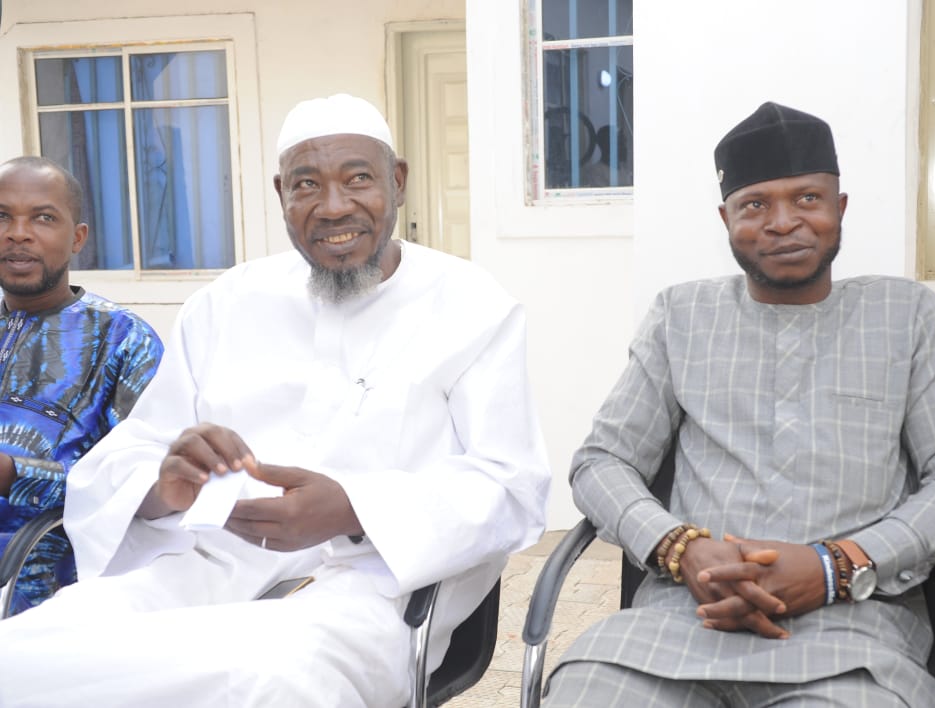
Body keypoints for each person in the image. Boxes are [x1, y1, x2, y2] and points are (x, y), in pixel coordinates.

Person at [0, 94, 550, 707]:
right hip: (207, 566)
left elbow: (510, 484)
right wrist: (164, 486)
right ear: (280, 193)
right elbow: (129, 457)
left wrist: (353, 508)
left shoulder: (472, 306)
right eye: (307, 184)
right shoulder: (226, 302)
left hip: (370, 590)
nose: (334, 206)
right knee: (30, 650)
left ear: (397, 182)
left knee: (270, 678)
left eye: (359, 179)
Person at [543, 102, 935, 707]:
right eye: (755, 204)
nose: (783, 222)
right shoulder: (680, 318)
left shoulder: (909, 318)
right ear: (726, 219)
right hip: (676, 626)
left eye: (807, 198)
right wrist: (683, 549)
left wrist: (835, 564)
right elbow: (601, 462)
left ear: (839, 208)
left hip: (851, 635)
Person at [0, 156, 163, 614]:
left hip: (47, 587)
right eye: (2, 216)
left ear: (77, 239)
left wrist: (15, 474)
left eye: (43, 218)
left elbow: (144, 488)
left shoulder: (122, 340)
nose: (18, 233)